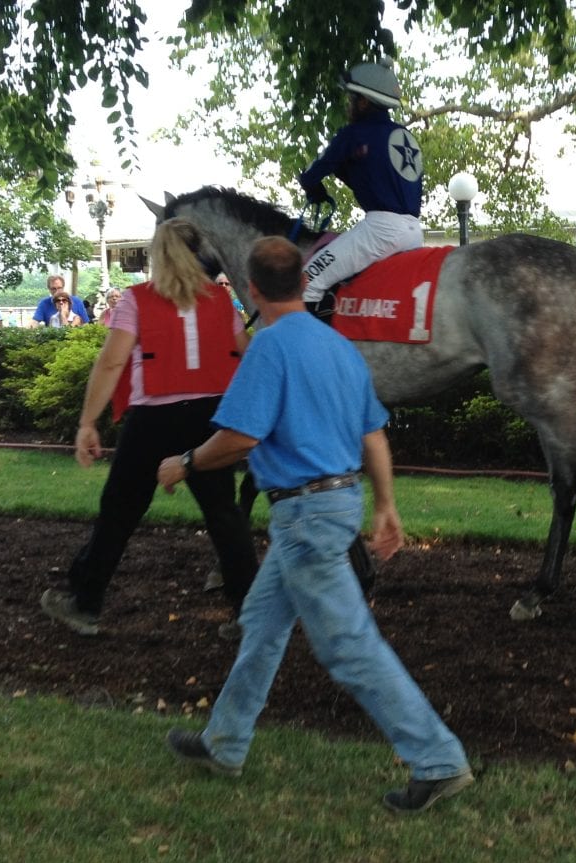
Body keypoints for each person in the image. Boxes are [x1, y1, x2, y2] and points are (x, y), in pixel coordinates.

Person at [157, 236, 473, 814]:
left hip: (304, 516)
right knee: (262, 623)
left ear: (251, 289)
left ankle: (437, 760)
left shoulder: (270, 347)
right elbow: (372, 433)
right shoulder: (339, 346)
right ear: (304, 283)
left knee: (349, 646)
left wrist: (184, 463)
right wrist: (386, 505)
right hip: (331, 506)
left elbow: (242, 437)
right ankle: (224, 743)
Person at [39, 219, 259, 637]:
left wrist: (88, 422)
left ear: (158, 253)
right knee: (224, 517)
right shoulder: (219, 300)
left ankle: (84, 603)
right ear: (200, 252)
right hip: (211, 418)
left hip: (152, 421)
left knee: (119, 512)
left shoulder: (137, 300)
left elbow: (110, 363)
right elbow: (247, 356)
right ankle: (249, 612)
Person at [297, 59, 424, 310]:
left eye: (351, 99)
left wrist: (315, 189)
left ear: (363, 102)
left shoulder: (354, 134)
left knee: (306, 282)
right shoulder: (406, 137)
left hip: (380, 231)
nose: (349, 105)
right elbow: (373, 179)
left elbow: (310, 175)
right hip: (414, 234)